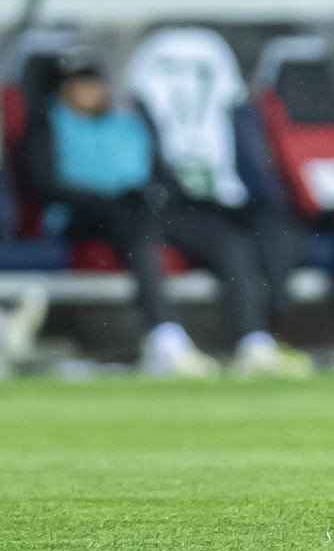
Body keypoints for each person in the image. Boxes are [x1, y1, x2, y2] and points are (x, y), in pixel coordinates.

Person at [123, 28, 314, 379]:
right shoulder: (136, 117)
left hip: (213, 206)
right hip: (159, 208)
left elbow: (252, 171)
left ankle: (259, 338)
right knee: (153, 236)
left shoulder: (236, 114)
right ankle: (170, 342)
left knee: (254, 239)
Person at [23, 50, 222, 378]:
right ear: (63, 90)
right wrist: (112, 199)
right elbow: (47, 184)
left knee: (223, 231)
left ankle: (255, 340)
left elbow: (164, 177)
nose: (89, 91)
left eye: (93, 83)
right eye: (79, 84)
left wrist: (152, 197)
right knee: (140, 231)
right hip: (85, 217)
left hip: (145, 210)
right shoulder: (49, 121)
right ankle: (165, 337)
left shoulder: (131, 119)